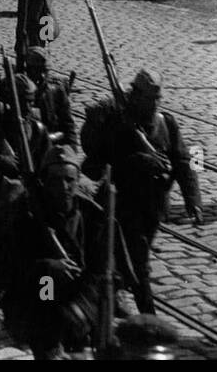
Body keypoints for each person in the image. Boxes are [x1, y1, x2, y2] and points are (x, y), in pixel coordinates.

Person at [0, 147, 133, 359]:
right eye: (55, 179)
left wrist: (81, 308)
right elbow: (7, 267)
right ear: (44, 181)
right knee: (47, 311)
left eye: (69, 179)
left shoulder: (94, 217)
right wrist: (47, 266)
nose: (63, 186)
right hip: (42, 294)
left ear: (78, 180)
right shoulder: (25, 214)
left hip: (84, 301)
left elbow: (104, 269)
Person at [82, 69, 201, 315]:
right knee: (138, 261)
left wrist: (193, 199)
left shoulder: (166, 123)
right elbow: (96, 162)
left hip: (155, 206)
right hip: (123, 203)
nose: (155, 103)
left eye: (158, 98)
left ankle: (113, 294)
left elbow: (184, 161)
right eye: (149, 98)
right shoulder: (118, 123)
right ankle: (149, 318)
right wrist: (136, 159)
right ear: (135, 97)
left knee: (128, 258)